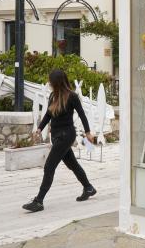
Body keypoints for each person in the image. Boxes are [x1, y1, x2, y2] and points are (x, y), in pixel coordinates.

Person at [22, 69, 96, 212]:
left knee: (49, 167)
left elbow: (82, 115)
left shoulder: (72, 96)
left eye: (51, 81)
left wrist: (87, 133)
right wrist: (39, 129)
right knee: (72, 164)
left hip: (66, 135)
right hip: (56, 136)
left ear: (57, 83)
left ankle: (39, 201)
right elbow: (48, 115)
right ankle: (88, 188)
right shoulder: (53, 96)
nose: (49, 83)